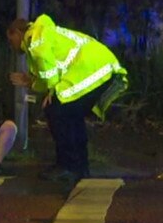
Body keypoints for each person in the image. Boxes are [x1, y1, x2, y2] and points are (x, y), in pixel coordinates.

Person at [7, 14, 128, 182]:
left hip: (90, 68)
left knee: (58, 110)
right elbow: (48, 73)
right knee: (70, 114)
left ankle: (68, 166)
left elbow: (48, 72)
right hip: (98, 66)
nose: (11, 45)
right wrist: (31, 82)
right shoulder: (41, 35)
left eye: (10, 39)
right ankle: (78, 166)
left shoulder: (35, 40)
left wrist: (51, 90)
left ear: (17, 32)